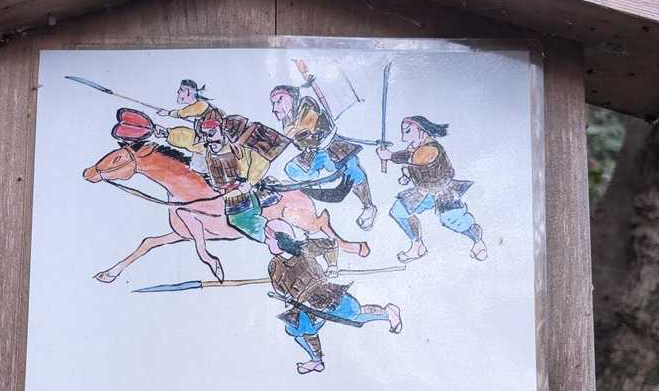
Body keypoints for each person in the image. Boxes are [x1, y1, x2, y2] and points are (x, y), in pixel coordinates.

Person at [265, 219, 401, 375]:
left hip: (324, 294)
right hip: (303, 305)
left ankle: (387, 313)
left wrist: (332, 266)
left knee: (354, 314)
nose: (266, 242)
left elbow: (331, 244)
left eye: (268, 238)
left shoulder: (304, 248)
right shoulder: (274, 265)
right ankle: (316, 361)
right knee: (298, 329)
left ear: (281, 238)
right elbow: (280, 289)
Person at [376, 116, 487, 263]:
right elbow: (412, 165)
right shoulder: (414, 147)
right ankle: (417, 246)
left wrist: (390, 156)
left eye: (408, 131)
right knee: (399, 211)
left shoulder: (431, 148)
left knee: (453, 220)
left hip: (443, 191)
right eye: (403, 131)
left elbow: (415, 158)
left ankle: (478, 242)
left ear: (422, 131)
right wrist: (406, 176)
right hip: (423, 191)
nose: (404, 135)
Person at [269, 84, 377, 230]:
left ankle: (368, 207)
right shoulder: (287, 120)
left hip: (332, 145)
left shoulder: (306, 104)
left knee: (352, 167)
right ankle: (319, 180)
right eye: (274, 103)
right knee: (291, 169)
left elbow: (306, 129)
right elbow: (296, 138)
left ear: (292, 97)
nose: (275, 108)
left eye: (279, 100)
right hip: (314, 153)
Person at [160, 115, 271, 242]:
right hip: (221, 195)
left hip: (240, 197)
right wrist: (166, 133)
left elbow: (262, 161)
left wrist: (250, 183)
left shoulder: (239, 149)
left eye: (212, 133)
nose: (209, 139)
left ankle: (272, 240)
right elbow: (187, 138)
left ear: (223, 132)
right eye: (205, 135)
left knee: (238, 220)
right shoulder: (206, 148)